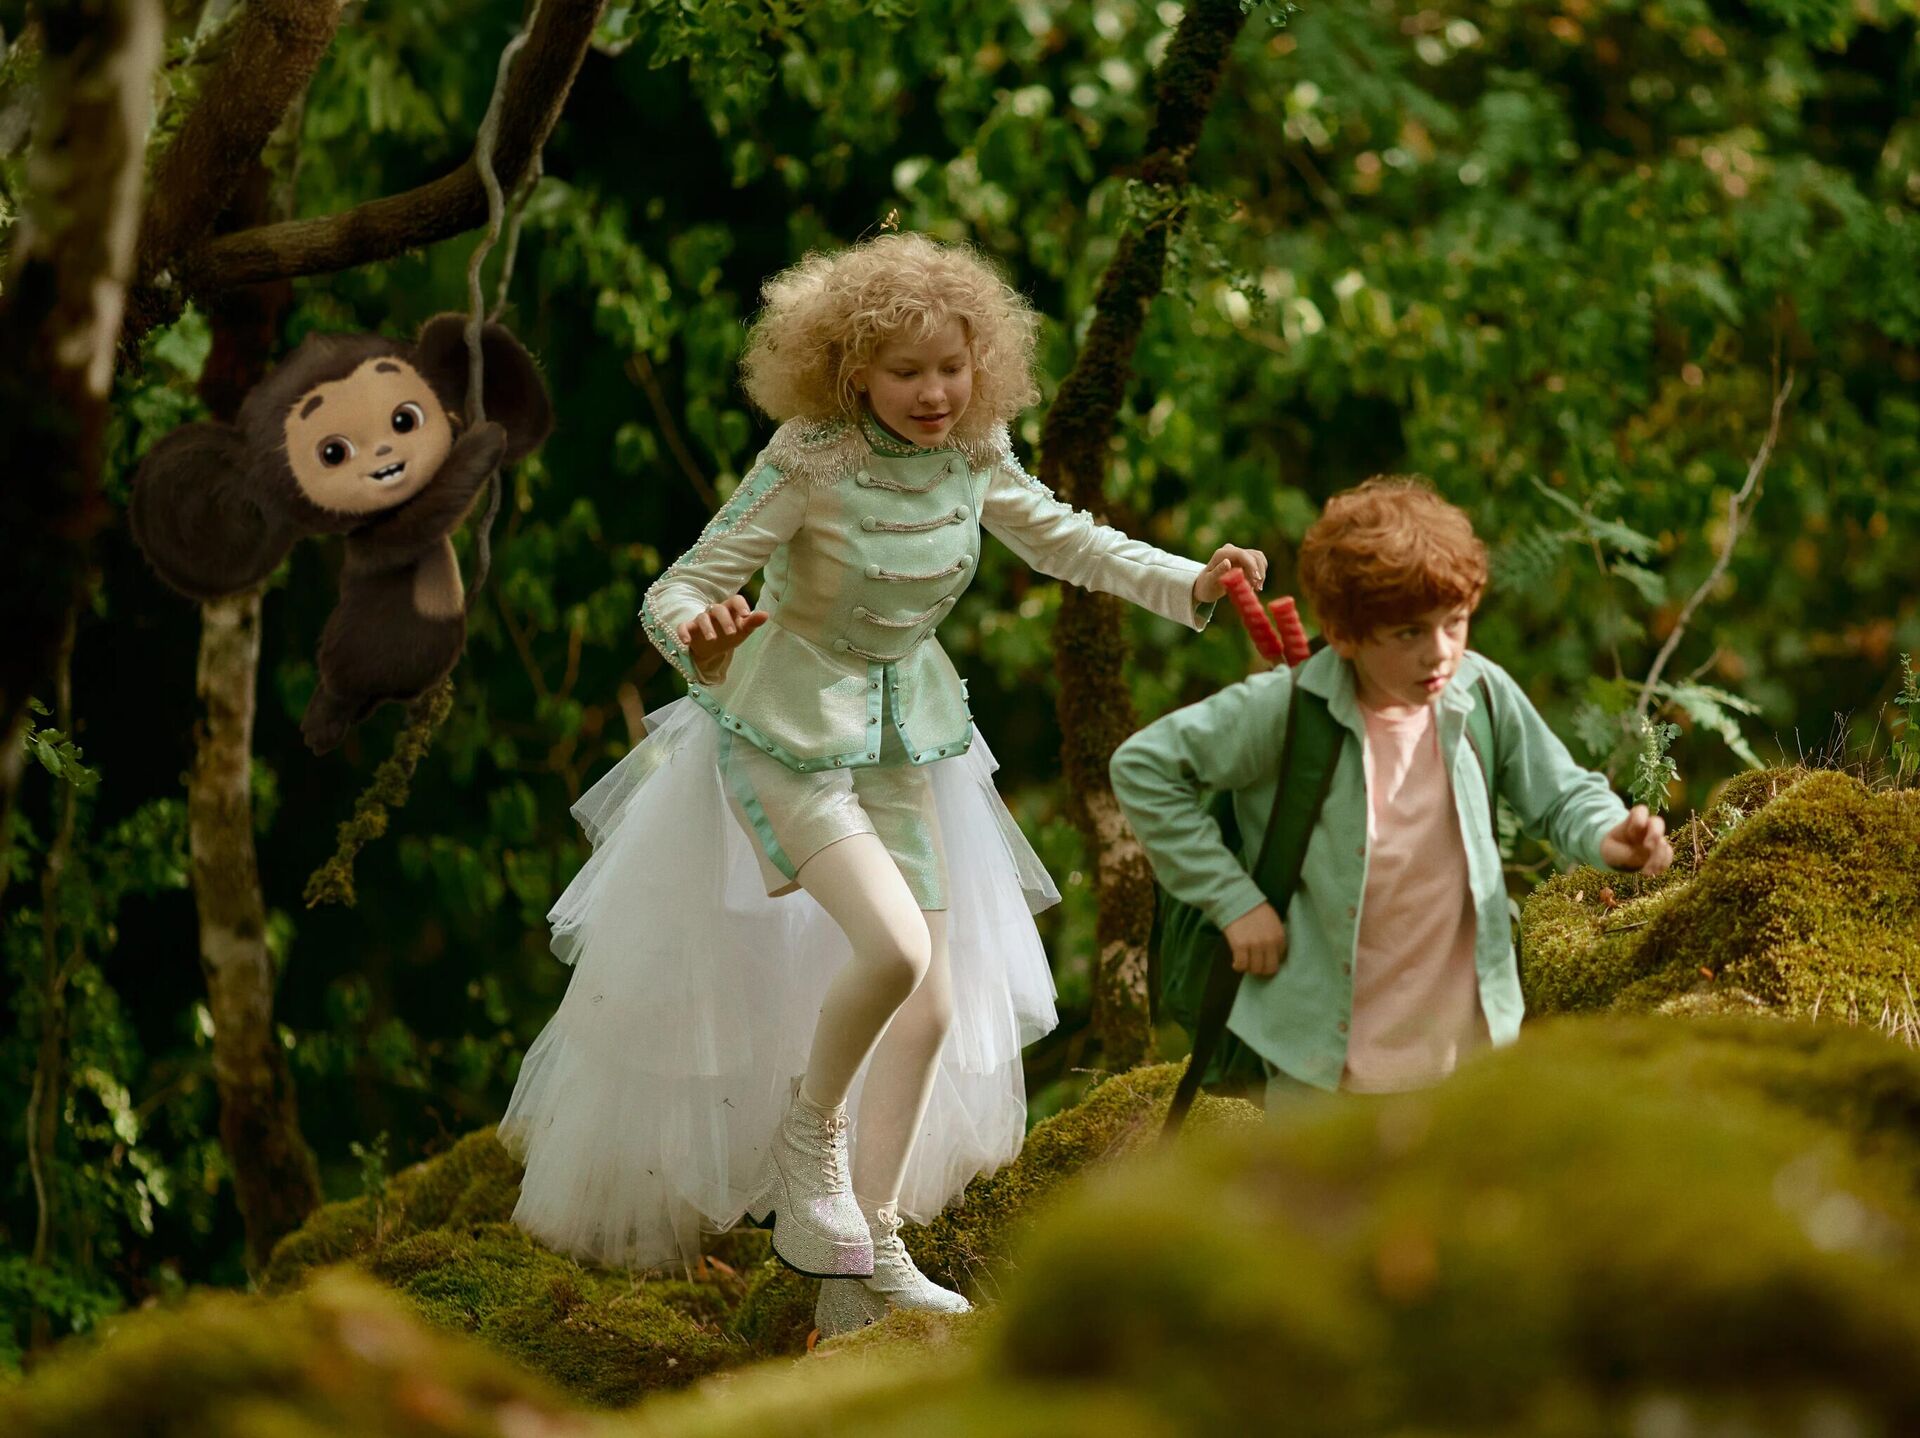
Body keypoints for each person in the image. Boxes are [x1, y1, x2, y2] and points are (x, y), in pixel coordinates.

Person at [498, 231, 1265, 1337]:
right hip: (785, 728)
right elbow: (679, 588)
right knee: (896, 951)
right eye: (907, 371)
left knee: (935, 1004)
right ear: (853, 371)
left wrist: (1198, 579)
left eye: (953, 366)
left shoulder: (975, 452)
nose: (935, 392)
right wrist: (702, 636)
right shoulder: (809, 457)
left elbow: (1068, 542)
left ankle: (867, 1253)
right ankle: (808, 1145)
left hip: (910, 738)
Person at [1110, 476, 1673, 1108]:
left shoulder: (1480, 691)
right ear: (1345, 633)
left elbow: (1561, 794)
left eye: (1455, 623)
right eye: (1409, 633)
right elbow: (1143, 767)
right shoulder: (1286, 710)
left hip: (1469, 1055)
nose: (1440, 653)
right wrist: (1233, 901)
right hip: (1320, 1073)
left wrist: (1608, 833)